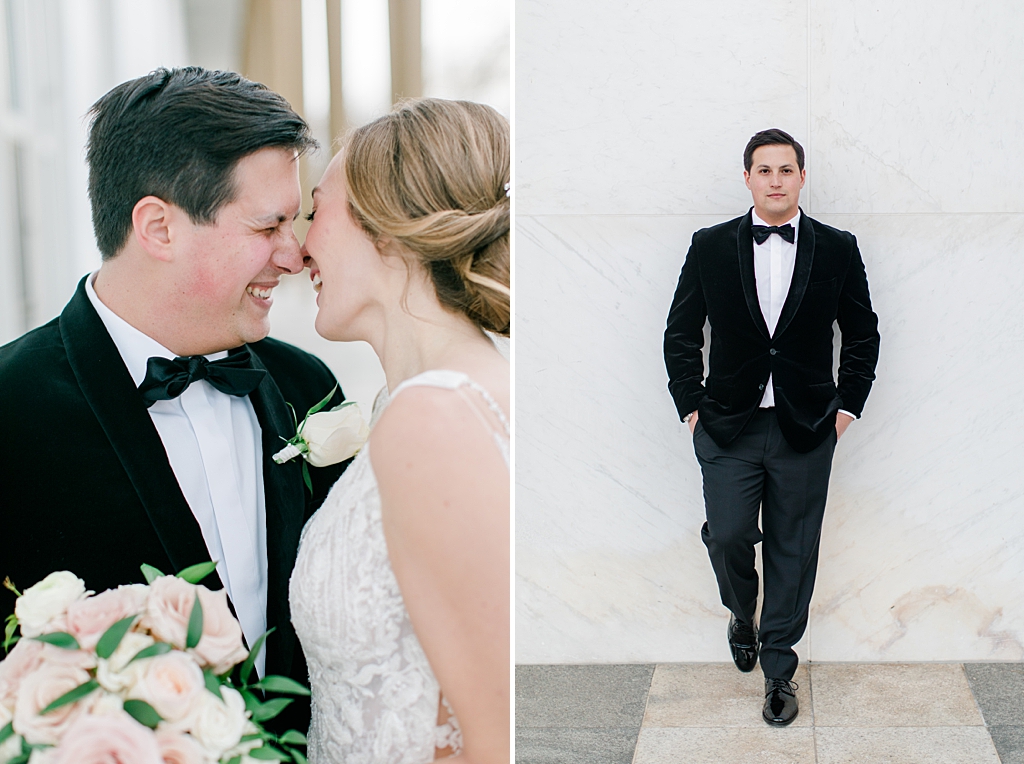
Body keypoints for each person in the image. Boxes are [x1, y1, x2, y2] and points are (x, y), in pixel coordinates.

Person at [0, 68, 349, 732]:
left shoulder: (309, 389)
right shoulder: (9, 408)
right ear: (158, 227)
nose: (295, 253)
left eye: (295, 221)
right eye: (267, 225)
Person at [289, 99, 510, 763]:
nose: (299, 250)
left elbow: (497, 738)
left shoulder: (432, 419)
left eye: (313, 212)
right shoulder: (416, 404)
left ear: (386, 231)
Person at [663, 128, 880, 725]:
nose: (776, 180)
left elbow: (862, 336)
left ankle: (779, 671)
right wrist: (691, 408)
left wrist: (845, 409)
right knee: (730, 533)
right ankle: (741, 610)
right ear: (748, 178)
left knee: (794, 548)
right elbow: (680, 334)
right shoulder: (709, 246)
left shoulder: (837, 247)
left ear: (802, 177)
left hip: (806, 427)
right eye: (765, 170)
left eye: (787, 170)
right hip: (728, 425)